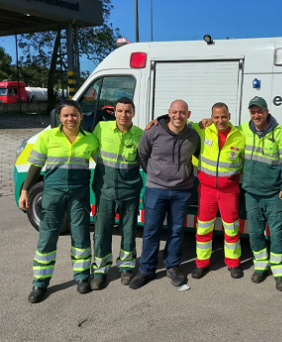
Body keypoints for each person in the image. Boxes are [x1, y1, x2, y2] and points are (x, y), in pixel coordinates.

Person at [19, 100, 99, 303]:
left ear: (81, 116)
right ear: (59, 117)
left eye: (74, 115)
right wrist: (25, 191)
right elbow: (36, 166)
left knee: (81, 237)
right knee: (47, 238)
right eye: (66, 115)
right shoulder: (47, 136)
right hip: (52, 194)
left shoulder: (90, 140)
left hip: (79, 196)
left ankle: (82, 278)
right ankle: (40, 283)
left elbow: (103, 164)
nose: (70, 119)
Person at [130, 99, 200, 289]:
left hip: (182, 191)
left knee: (176, 231)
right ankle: (146, 269)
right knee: (151, 231)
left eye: (182, 112)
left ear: (188, 114)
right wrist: (153, 173)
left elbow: (200, 154)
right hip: (155, 190)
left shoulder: (194, 136)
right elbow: (141, 154)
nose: (178, 116)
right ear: (169, 112)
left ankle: (172, 267)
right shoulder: (153, 131)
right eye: (175, 112)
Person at [238, 96, 282, 291]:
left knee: (277, 234)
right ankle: (260, 267)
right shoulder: (243, 130)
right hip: (251, 193)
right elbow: (224, 132)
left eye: (259, 111)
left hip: (273, 194)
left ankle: (280, 273)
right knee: (255, 234)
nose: (256, 115)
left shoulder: (279, 133)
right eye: (253, 112)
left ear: (267, 111)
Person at [90, 97, 144, 290]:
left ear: (133, 113)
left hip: (130, 191)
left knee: (128, 231)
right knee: (102, 232)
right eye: (120, 111)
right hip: (105, 190)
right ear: (114, 112)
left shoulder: (140, 134)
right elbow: (88, 147)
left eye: (128, 111)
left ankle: (127, 267)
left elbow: (145, 160)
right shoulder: (102, 128)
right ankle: (100, 270)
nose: (124, 115)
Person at [191, 102, 245, 279]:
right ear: (211, 117)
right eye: (216, 117)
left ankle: (233, 263)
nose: (220, 120)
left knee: (232, 229)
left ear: (229, 116)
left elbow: (244, 162)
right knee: (203, 229)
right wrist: (155, 122)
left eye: (223, 116)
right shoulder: (203, 130)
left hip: (229, 191)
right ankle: (202, 263)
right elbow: (180, 123)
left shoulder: (240, 136)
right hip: (206, 190)